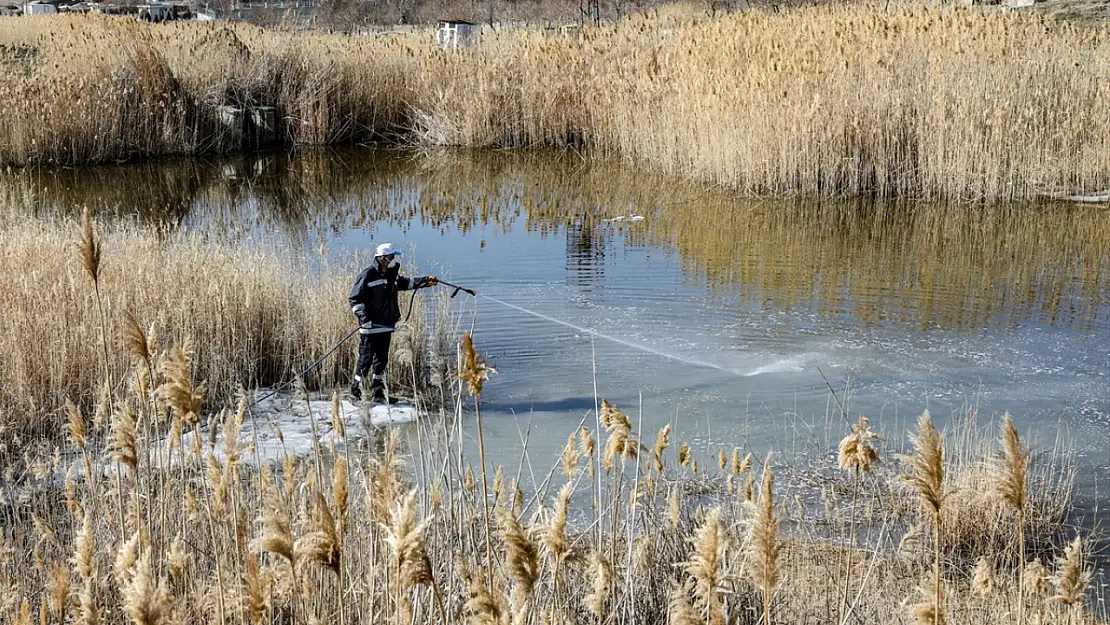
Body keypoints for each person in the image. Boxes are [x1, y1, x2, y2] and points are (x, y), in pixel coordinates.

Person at [348, 243, 437, 403]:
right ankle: (355, 393)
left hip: (386, 325)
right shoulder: (368, 275)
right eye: (391, 257)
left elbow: (406, 283)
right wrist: (364, 319)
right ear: (382, 258)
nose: (394, 260)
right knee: (365, 360)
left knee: (381, 361)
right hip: (370, 328)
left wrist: (425, 281)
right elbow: (355, 299)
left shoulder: (391, 276)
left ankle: (379, 394)